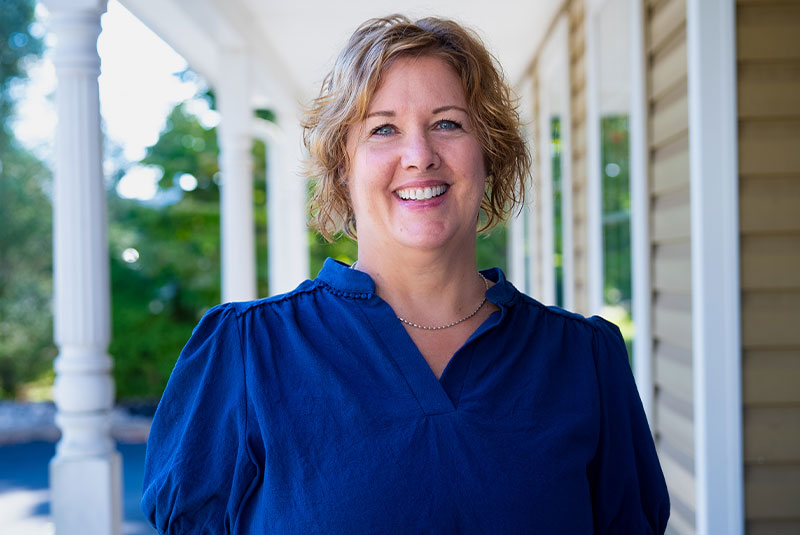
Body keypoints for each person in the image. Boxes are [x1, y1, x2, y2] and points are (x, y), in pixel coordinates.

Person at [141, 14, 670, 534]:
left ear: (489, 152)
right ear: (342, 167)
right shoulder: (247, 352)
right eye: (383, 128)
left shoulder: (584, 360)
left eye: (447, 123)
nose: (419, 156)